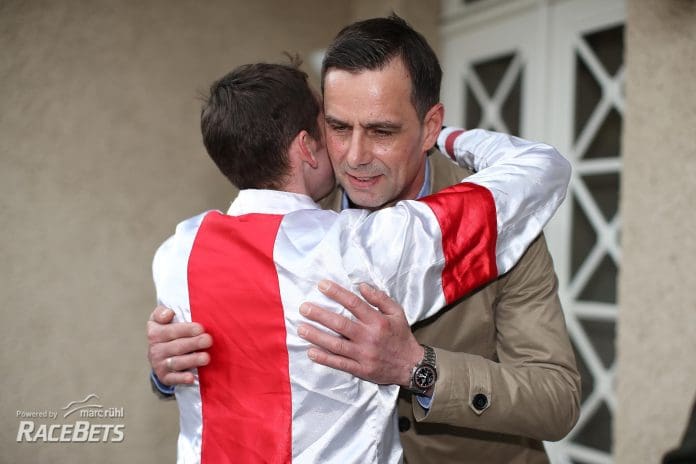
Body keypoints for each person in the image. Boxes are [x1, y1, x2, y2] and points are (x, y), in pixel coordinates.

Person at [148, 14, 581, 463]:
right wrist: (173, 366)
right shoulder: (295, 208)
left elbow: (558, 400)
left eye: (381, 131)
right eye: (338, 128)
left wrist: (418, 368)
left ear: (431, 127)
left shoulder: (503, 226)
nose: (354, 158)